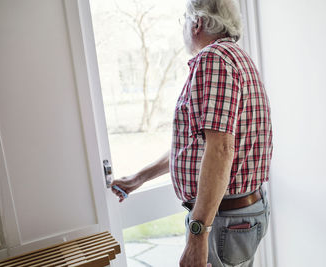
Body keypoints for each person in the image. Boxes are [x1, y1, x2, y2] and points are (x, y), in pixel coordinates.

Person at [111, 0, 273, 266]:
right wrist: (139, 177)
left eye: (183, 22)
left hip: (223, 220)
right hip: (235, 215)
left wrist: (198, 235)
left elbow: (221, 149)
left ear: (196, 23)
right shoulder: (236, 58)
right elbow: (199, 146)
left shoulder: (213, 59)